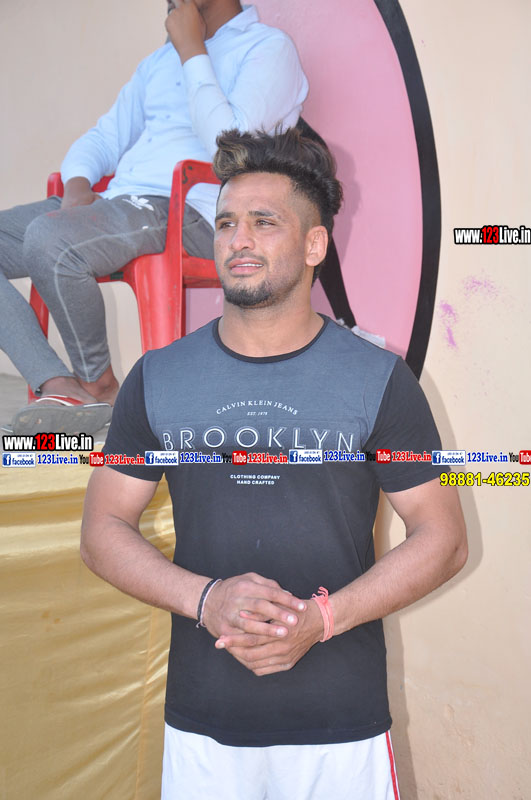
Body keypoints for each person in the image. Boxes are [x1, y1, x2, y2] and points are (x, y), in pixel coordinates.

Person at [81, 128, 467, 800]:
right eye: (226, 223)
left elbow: (443, 538)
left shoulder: (378, 379)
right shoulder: (159, 377)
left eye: (264, 222)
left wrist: (322, 619)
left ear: (315, 245)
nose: (239, 240)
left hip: (340, 727)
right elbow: (101, 530)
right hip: (203, 726)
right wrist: (205, 601)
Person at [0, 0, 308, 434]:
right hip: (120, 203)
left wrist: (192, 50)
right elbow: (105, 136)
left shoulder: (267, 48)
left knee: (50, 240)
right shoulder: (158, 62)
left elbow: (230, 150)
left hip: (189, 209)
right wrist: (77, 186)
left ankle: (99, 384)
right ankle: (58, 384)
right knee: (46, 233)